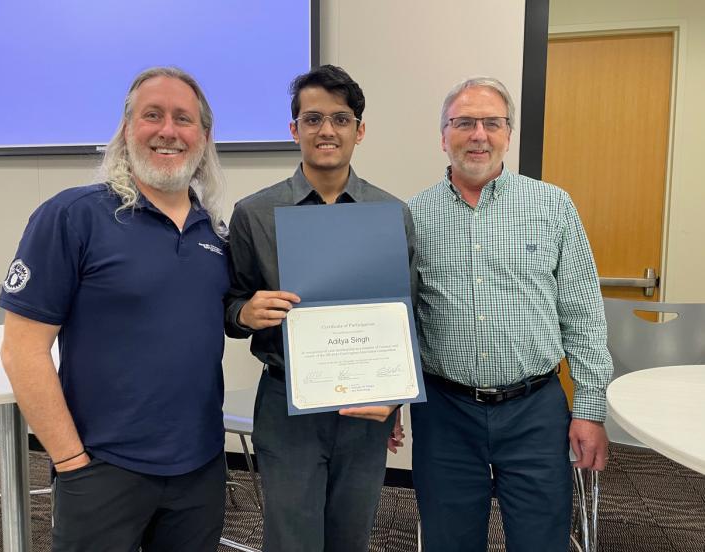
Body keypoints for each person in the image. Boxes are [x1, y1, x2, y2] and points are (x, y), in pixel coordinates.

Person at [0, 67, 229, 551]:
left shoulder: (217, 234)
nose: (168, 130)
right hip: (101, 469)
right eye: (152, 115)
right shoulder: (72, 215)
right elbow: (23, 349)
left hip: (200, 470)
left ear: (203, 137)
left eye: (183, 119)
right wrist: (69, 461)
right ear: (127, 130)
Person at [408, 77, 613, 551]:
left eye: (491, 123)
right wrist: (391, 395)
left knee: (542, 539)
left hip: (535, 410)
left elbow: (582, 315)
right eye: (464, 123)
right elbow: (404, 318)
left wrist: (589, 408)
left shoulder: (553, 206)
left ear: (508, 134)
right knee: (448, 540)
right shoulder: (413, 216)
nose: (478, 134)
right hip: (445, 413)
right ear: (444, 136)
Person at [224, 64, 414, 552]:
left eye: (340, 118)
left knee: (352, 535)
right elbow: (230, 305)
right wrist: (245, 313)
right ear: (294, 130)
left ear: (359, 130)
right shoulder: (255, 214)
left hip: (365, 409)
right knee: (291, 540)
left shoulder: (390, 212)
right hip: (288, 405)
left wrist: (395, 397)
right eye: (312, 119)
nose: (326, 130)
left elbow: (405, 314)